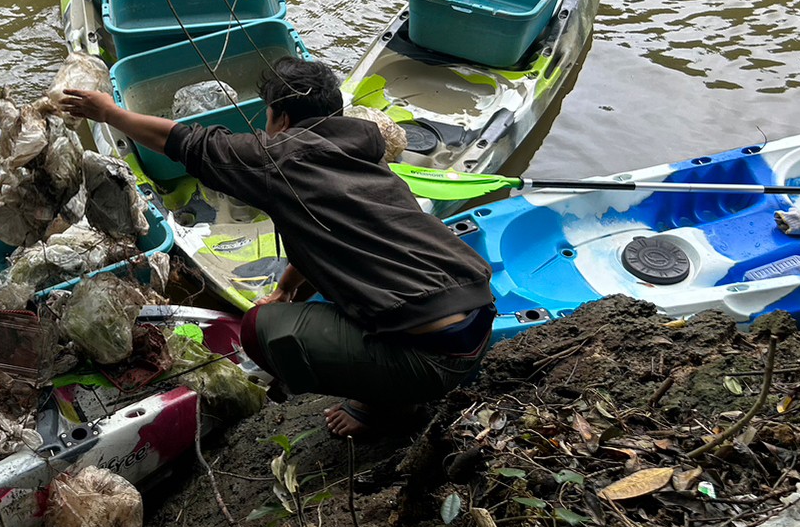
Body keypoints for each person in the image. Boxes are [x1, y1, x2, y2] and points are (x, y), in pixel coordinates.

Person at [60, 56, 495, 438]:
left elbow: (185, 142)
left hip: (434, 358)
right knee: (315, 301)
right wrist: (287, 286)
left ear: (282, 119)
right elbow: (324, 231)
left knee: (260, 328)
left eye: (267, 117)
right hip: (477, 317)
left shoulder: (281, 157)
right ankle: (396, 381)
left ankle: (387, 410)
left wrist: (109, 113)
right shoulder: (363, 150)